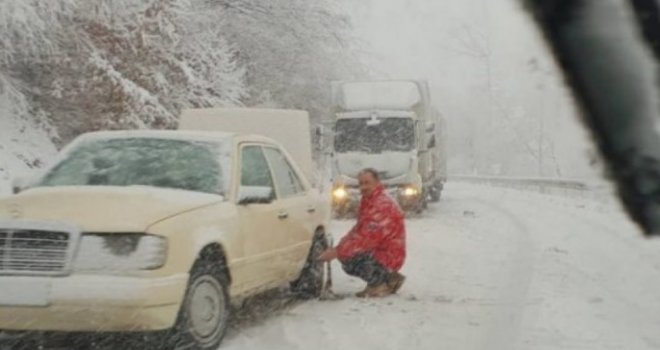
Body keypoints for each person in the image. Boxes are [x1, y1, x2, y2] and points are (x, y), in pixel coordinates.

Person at [319, 168, 406, 298]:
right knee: (348, 252)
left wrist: (337, 252)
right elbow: (359, 229)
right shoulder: (371, 200)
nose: (363, 187)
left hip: (388, 255)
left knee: (350, 260)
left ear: (377, 182)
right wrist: (341, 245)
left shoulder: (381, 205)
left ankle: (379, 284)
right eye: (361, 183)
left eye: (367, 182)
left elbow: (367, 239)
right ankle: (389, 279)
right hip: (384, 252)